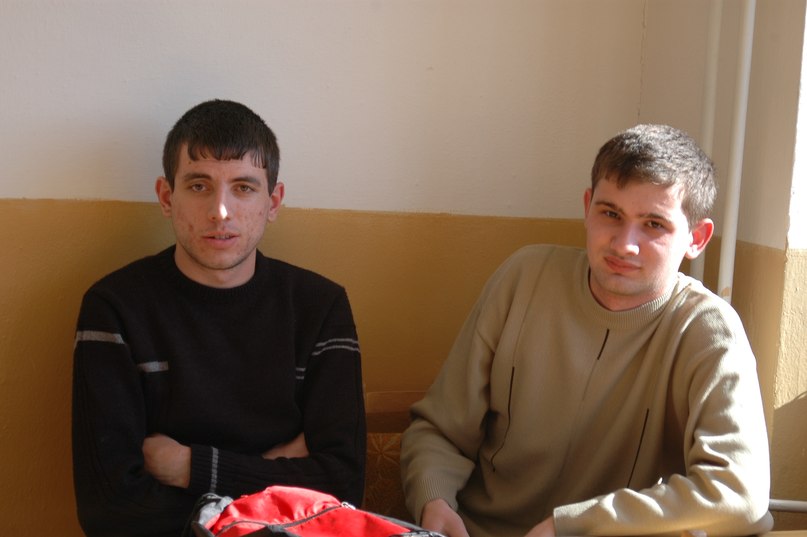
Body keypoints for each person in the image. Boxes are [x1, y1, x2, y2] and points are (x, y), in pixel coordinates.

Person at [400, 124, 772, 537]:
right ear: (587, 207)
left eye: (653, 224)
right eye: (610, 213)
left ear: (696, 239)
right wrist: (433, 501)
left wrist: (572, 525)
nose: (624, 244)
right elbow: (438, 431)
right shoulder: (523, 278)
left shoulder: (708, 330)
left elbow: (739, 492)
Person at [72, 99, 366, 537]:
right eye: (199, 186)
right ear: (167, 197)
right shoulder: (115, 307)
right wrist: (272, 471)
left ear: (273, 202)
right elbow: (108, 510)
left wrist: (190, 467)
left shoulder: (320, 307)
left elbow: (343, 486)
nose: (220, 212)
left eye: (244, 188)